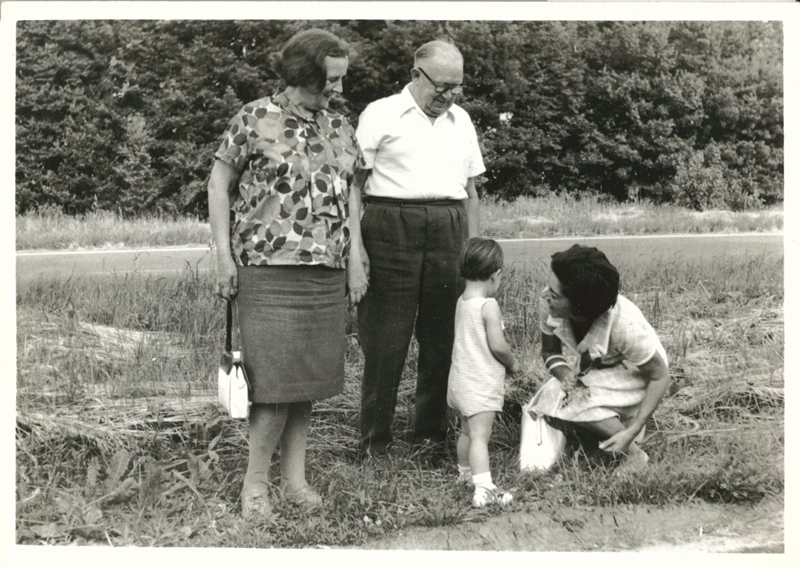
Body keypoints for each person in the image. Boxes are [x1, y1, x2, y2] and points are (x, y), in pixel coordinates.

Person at [207, 29, 368, 518]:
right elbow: (218, 182)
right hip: (268, 270)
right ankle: (254, 485)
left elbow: (354, 194)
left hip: (326, 272)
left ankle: (294, 480)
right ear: (304, 74)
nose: (339, 89)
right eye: (331, 80)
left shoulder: (339, 126)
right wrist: (221, 255)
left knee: (308, 383)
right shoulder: (254, 118)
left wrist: (355, 258)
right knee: (274, 386)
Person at [355, 39, 485, 457]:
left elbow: (471, 192)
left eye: (456, 88)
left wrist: (475, 253)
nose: (447, 97)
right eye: (440, 87)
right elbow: (352, 188)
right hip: (390, 225)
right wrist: (355, 250)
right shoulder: (379, 113)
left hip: (448, 227)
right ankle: (374, 443)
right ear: (416, 75)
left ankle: (429, 439)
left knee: (442, 339)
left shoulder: (461, 121)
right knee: (385, 342)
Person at [530, 245, 671, 471]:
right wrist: (569, 377)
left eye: (555, 295)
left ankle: (633, 453)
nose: (545, 295)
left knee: (578, 399)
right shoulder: (548, 303)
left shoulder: (625, 325)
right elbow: (550, 352)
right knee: (557, 393)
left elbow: (660, 376)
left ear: (579, 306)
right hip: (597, 366)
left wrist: (632, 430)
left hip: (636, 374)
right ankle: (603, 428)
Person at [447, 237, 520, 507]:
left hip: (459, 383)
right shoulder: (488, 306)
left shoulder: (462, 301)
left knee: (466, 432)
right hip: (480, 384)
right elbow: (498, 346)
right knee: (480, 437)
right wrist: (513, 363)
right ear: (495, 276)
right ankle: (484, 488)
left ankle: (465, 475)